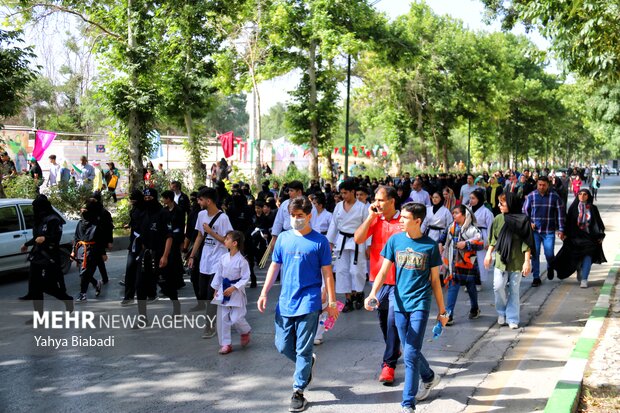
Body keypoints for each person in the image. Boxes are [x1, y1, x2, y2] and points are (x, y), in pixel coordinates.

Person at [364, 203, 448, 412]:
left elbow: (436, 282)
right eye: (400, 217)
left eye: (404, 218)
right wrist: (373, 293)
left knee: (410, 353)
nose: (400, 221)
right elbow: (383, 272)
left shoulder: (430, 246)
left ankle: (408, 402)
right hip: (398, 303)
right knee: (410, 348)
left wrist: (442, 311)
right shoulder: (395, 241)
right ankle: (428, 376)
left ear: (417, 221)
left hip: (420, 303)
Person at [257, 196, 337, 413]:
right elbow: (274, 267)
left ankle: (298, 390)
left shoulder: (319, 242)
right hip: (286, 301)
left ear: (310, 216)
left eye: (300, 216)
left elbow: (328, 274)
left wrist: (331, 301)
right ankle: (307, 363)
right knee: (282, 345)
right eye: (293, 216)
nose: (296, 219)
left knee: (303, 348)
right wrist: (264, 292)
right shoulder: (283, 238)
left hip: (309, 302)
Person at [354, 185, 402, 385]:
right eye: (375, 199)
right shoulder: (376, 219)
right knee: (383, 320)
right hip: (378, 280)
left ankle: (388, 365)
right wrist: (370, 217)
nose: (376, 203)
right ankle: (393, 348)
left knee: (392, 321)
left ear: (392, 201)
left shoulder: (404, 220)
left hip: (400, 280)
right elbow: (359, 239)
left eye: (381, 200)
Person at [188, 187, 234, 338]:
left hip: (218, 262)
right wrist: (192, 256)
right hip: (204, 261)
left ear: (209, 201)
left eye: (200, 200)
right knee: (202, 293)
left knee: (211, 295)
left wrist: (211, 232)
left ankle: (210, 325)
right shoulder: (201, 215)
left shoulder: (223, 218)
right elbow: (200, 236)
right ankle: (225, 314)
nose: (198, 202)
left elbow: (228, 241)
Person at [484, 192, 534, 329]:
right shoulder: (498, 219)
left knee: (514, 289)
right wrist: (488, 254)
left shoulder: (523, 220)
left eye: (502, 203)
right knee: (498, 286)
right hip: (501, 260)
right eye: (499, 203)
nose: (499, 205)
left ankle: (512, 318)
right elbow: (493, 239)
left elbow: (527, 242)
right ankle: (501, 312)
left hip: (517, 261)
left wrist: (527, 261)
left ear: (511, 203)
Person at [20, 195, 74, 315]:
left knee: (48, 286)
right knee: (35, 287)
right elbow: (36, 237)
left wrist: (45, 238)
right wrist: (27, 244)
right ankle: (38, 315)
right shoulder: (38, 219)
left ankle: (67, 300)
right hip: (37, 255)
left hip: (49, 257)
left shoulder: (54, 220)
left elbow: (56, 237)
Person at [135, 188, 178, 320]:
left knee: (166, 285)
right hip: (146, 253)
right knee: (140, 286)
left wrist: (165, 256)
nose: (147, 200)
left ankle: (176, 308)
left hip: (160, 253)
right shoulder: (142, 213)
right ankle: (142, 317)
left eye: (150, 198)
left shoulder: (163, 213)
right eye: (145, 198)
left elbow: (169, 237)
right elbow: (141, 235)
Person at [327, 179, 369, 312]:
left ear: (353, 192)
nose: (343, 196)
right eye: (342, 193)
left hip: (358, 241)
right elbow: (333, 225)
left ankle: (358, 293)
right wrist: (330, 242)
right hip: (342, 240)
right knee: (341, 270)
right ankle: (348, 298)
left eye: (345, 193)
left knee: (356, 270)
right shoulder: (339, 206)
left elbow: (368, 228)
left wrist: (369, 245)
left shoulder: (362, 207)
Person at [439, 205, 484, 325]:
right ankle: (449, 315)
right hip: (454, 263)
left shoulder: (474, 229)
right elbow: (442, 238)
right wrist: (440, 244)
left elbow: (480, 244)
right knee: (453, 287)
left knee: (471, 288)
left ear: (465, 215)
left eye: (457, 213)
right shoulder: (451, 227)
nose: (454, 215)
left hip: (468, 264)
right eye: (453, 213)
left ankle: (474, 309)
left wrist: (466, 244)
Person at [211, 231, 252, 354]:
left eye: (227, 239)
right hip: (223, 289)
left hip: (236, 291)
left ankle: (245, 331)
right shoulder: (223, 258)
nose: (225, 240)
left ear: (234, 243)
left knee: (236, 318)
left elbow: (245, 278)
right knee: (222, 319)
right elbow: (218, 274)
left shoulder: (242, 261)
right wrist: (216, 288)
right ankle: (226, 344)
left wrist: (234, 288)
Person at [522, 176, 565, 287]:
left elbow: (561, 214)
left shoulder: (554, 197)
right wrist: (529, 222)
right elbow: (525, 211)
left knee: (549, 254)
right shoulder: (531, 196)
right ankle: (536, 277)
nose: (541, 187)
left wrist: (561, 229)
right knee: (535, 254)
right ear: (537, 184)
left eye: (544, 185)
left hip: (549, 231)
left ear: (548, 185)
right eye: (539, 185)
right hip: (534, 232)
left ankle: (550, 266)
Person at [560, 188, 606, 288]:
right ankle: (579, 269)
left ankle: (584, 279)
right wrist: (564, 233)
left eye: (585, 194)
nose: (582, 196)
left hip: (589, 238)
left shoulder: (593, 208)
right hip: (575, 238)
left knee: (588, 256)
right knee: (577, 258)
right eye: (580, 194)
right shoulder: (573, 208)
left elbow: (598, 223)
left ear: (588, 196)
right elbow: (568, 223)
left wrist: (601, 235)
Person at [72, 199, 107, 303]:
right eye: (82, 210)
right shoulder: (80, 223)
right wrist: (73, 251)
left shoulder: (97, 225)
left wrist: (103, 253)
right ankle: (96, 283)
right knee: (83, 273)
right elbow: (76, 237)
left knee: (85, 272)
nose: (83, 212)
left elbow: (100, 240)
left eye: (85, 210)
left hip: (93, 251)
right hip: (81, 250)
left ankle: (83, 294)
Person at [120, 190, 145, 306]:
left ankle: (150, 293)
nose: (132, 202)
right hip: (133, 244)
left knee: (144, 273)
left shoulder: (146, 210)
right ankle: (129, 295)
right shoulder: (135, 209)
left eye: (133, 199)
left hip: (144, 245)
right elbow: (134, 222)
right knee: (130, 270)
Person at [161, 190, 186, 294]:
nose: (162, 200)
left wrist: (182, 241)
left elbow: (181, 225)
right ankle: (169, 281)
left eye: (164, 198)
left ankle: (178, 280)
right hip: (167, 237)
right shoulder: (163, 211)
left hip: (176, 238)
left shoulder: (179, 210)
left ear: (169, 199)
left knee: (175, 259)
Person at [469, 189, 494, 290]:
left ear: (479, 199)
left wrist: (488, 241)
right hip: (469, 236)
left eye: (473, 198)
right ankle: (470, 281)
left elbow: (491, 227)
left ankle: (478, 281)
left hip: (481, 236)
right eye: (470, 198)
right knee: (469, 259)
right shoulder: (468, 210)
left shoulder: (486, 211)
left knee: (479, 259)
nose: (471, 200)